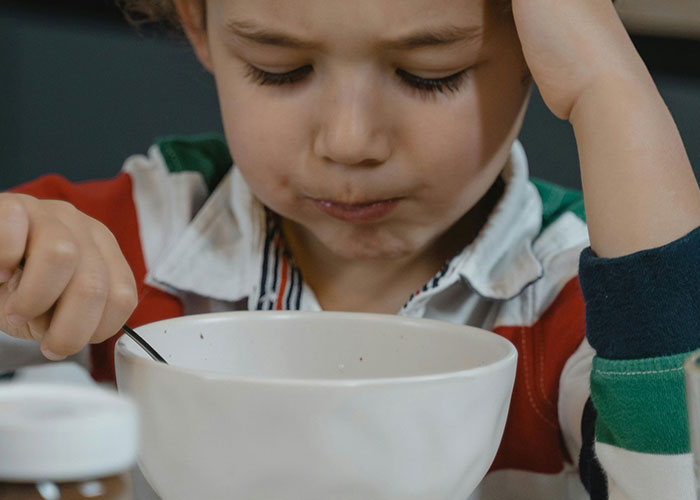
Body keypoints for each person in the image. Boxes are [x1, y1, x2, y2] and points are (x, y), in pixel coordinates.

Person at [1, 0, 698, 498]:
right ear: (197, 20)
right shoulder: (123, 243)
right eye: (280, 67)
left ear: (536, 48)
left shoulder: (587, 301)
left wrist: (608, 87)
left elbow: (671, 482)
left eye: (431, 73)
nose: (349, 141)